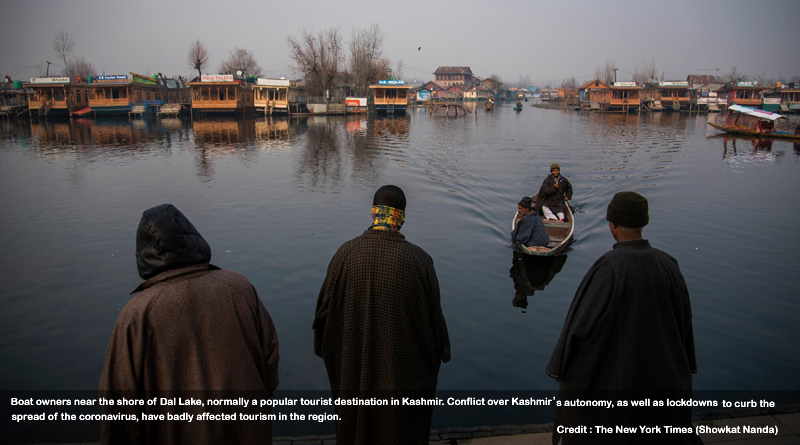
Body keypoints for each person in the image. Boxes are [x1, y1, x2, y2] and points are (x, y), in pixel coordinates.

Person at [99, 204, 279, 444]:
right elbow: (271, 361)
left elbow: (117, 405)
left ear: (144, 255)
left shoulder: (137, 315)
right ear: (192, 238)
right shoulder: (239, 288)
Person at [545, 192, 699, 445]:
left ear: (613, 224)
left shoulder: (609, 268)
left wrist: (561, 367)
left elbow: (578, 328)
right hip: (664, 380)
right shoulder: (669, 264)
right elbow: (684, 322)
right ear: (642, 222)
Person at [314, 185, 451, 445]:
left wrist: (328, 348)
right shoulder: (420, 260)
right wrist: (441, 351)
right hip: (401, 373)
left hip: (354, 369)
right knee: (399, 426)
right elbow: (436, 327)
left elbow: (321, 316)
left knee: (355, 421)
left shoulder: (344, 254)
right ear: (401, 216)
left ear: (373, 213)